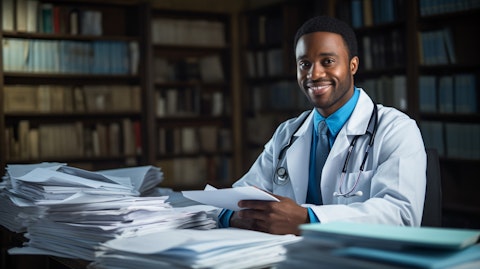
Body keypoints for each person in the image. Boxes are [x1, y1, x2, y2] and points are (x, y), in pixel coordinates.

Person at [218, 16, 426, 235]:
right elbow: (241, 194)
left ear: (352, 65)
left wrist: (308, 219)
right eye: (304, 64)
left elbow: (401, 215)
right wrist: (233, 216)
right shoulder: (288, 133)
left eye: (327, 61)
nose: (314, 74)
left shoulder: (396, 130)